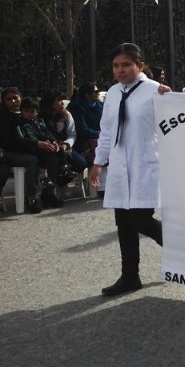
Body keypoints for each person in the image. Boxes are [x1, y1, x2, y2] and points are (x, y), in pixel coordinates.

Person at [89, 43, 169, 297]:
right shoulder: (112, 93)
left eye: (126, 65)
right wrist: (98, 162)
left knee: (140, 219)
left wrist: (174, 98)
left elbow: (180, 122)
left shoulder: (155, 91)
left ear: (140, 65)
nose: (121, 70)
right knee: (123, 222)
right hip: (120, 166)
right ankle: (130, 276)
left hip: (146, 163)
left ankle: (182, 246)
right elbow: (107, 130)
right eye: (116, 65)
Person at [15, 97, 64, 207]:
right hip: (29, 149)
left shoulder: (39, 121)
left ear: (37, 112)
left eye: (32, 111)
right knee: (40, 160)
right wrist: (38, 143)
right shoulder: (20, 123)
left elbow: (48, 134)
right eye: (26, 111)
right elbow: (22, 139)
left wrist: (54, 143)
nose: (29, 114)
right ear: (22, 111)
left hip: (43, 148)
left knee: (56, 155)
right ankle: (32, 197)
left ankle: (49, 193)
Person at [0, 87, 41, 213]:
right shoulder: (3, 117)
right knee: (33, 160)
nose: (13, 101)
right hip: (10, 153)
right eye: (8, 99)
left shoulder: (28, 112)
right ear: (3, 102)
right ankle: (31, 197)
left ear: (21, 98)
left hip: (27, 149)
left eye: (15, 98)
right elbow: (8, 141)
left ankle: (48, 193)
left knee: (47, 155)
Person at [39, 92, 87, 177]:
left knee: (81, 163)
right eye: (58, 101)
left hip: (64, 147)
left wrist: (66, 144)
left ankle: (62, 182)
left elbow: (72, 134)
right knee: (54, 163)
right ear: (50, 103)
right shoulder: (41, 118)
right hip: (49, 148)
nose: (62, 103)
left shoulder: (66, 115)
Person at [68, 82, 103, 168]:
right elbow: (82, 129)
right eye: (96, 91)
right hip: (83, 141)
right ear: (87, 95)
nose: (98, 93)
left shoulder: (100, 105)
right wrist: (100, 134)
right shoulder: (77, 107)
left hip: (100, 137)